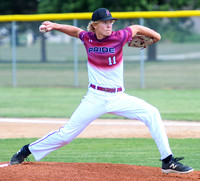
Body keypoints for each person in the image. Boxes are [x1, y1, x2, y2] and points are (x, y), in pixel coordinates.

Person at [10, 8, 193, 174]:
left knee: (152, 112)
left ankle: (168, 161)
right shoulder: (87, 38)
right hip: (95, 97)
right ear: (95, 25)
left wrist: (156, 36)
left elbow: (136, 27)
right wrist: (55, 25)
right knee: (66, 135)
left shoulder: (120, 36)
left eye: (111, 22)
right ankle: (26, 150)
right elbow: (75, 31)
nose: (109, 25)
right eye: (105, 22)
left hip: (118, 97)